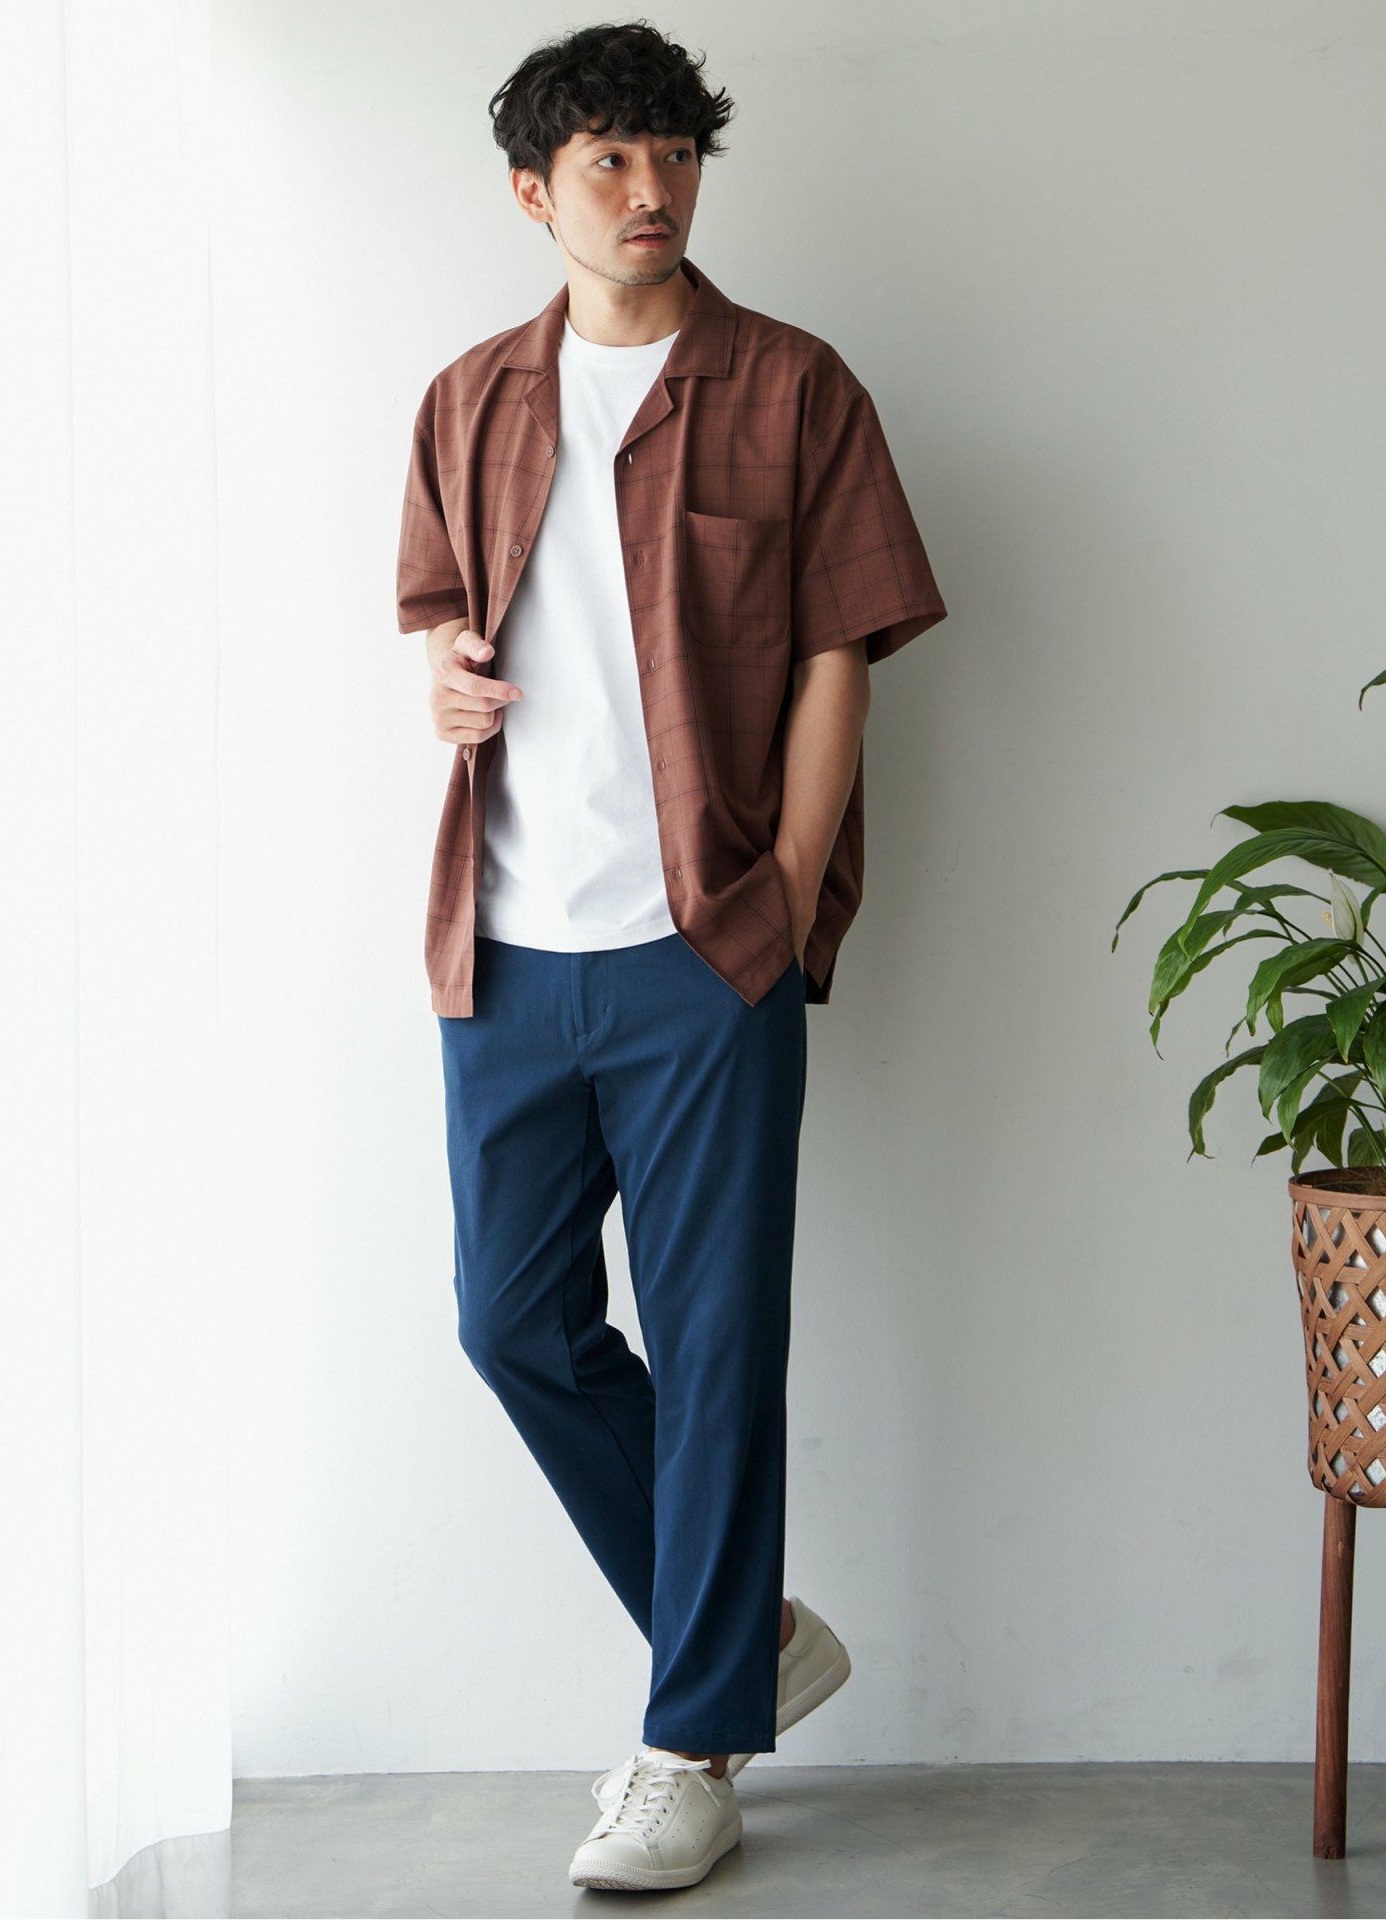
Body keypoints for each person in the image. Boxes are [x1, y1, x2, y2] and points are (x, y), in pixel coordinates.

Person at [395, 20, 947, 1894]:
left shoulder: (795, 389)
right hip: (503, 944)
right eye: (611, 163)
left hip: (700, 944)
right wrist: (444, 682)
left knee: (717, 1350)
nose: (652, 193)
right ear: (534, 192)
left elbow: (839, 656)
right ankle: (747, 1640)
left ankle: (690, 1740)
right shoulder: (467, 399)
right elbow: (439, 623)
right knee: (512, 1323)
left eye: (675, 157)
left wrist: (779, 895)